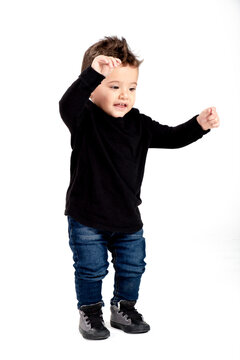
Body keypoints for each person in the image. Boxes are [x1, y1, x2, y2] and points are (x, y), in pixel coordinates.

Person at [59, 36, 220, 340]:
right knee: (91, 269)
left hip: (126, 217)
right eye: (113, 86)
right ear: (92, 89)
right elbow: (67, 103)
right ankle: (90, 312)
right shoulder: (84, 119)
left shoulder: (139, 124)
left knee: (133, 266)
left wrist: (198, 124)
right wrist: (92, 73)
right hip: (86, 216)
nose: (124, 95)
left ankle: (123, 307)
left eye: (131, 88)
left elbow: (172, 137)